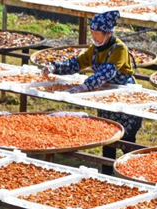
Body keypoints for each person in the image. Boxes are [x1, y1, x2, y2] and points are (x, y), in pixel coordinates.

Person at [41, 10, 140, 172]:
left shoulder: (119, 49)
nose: (94, 36)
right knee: (109, 136)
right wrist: (54, 67)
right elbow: (76, 63)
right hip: (106, 99)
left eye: (97, 33)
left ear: (108, 33)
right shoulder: (95, 50)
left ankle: (134, 171)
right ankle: (107, 173)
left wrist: (83, 87)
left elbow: (106, 73)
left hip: (124, 99)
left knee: (127, 140)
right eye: (92, 33)